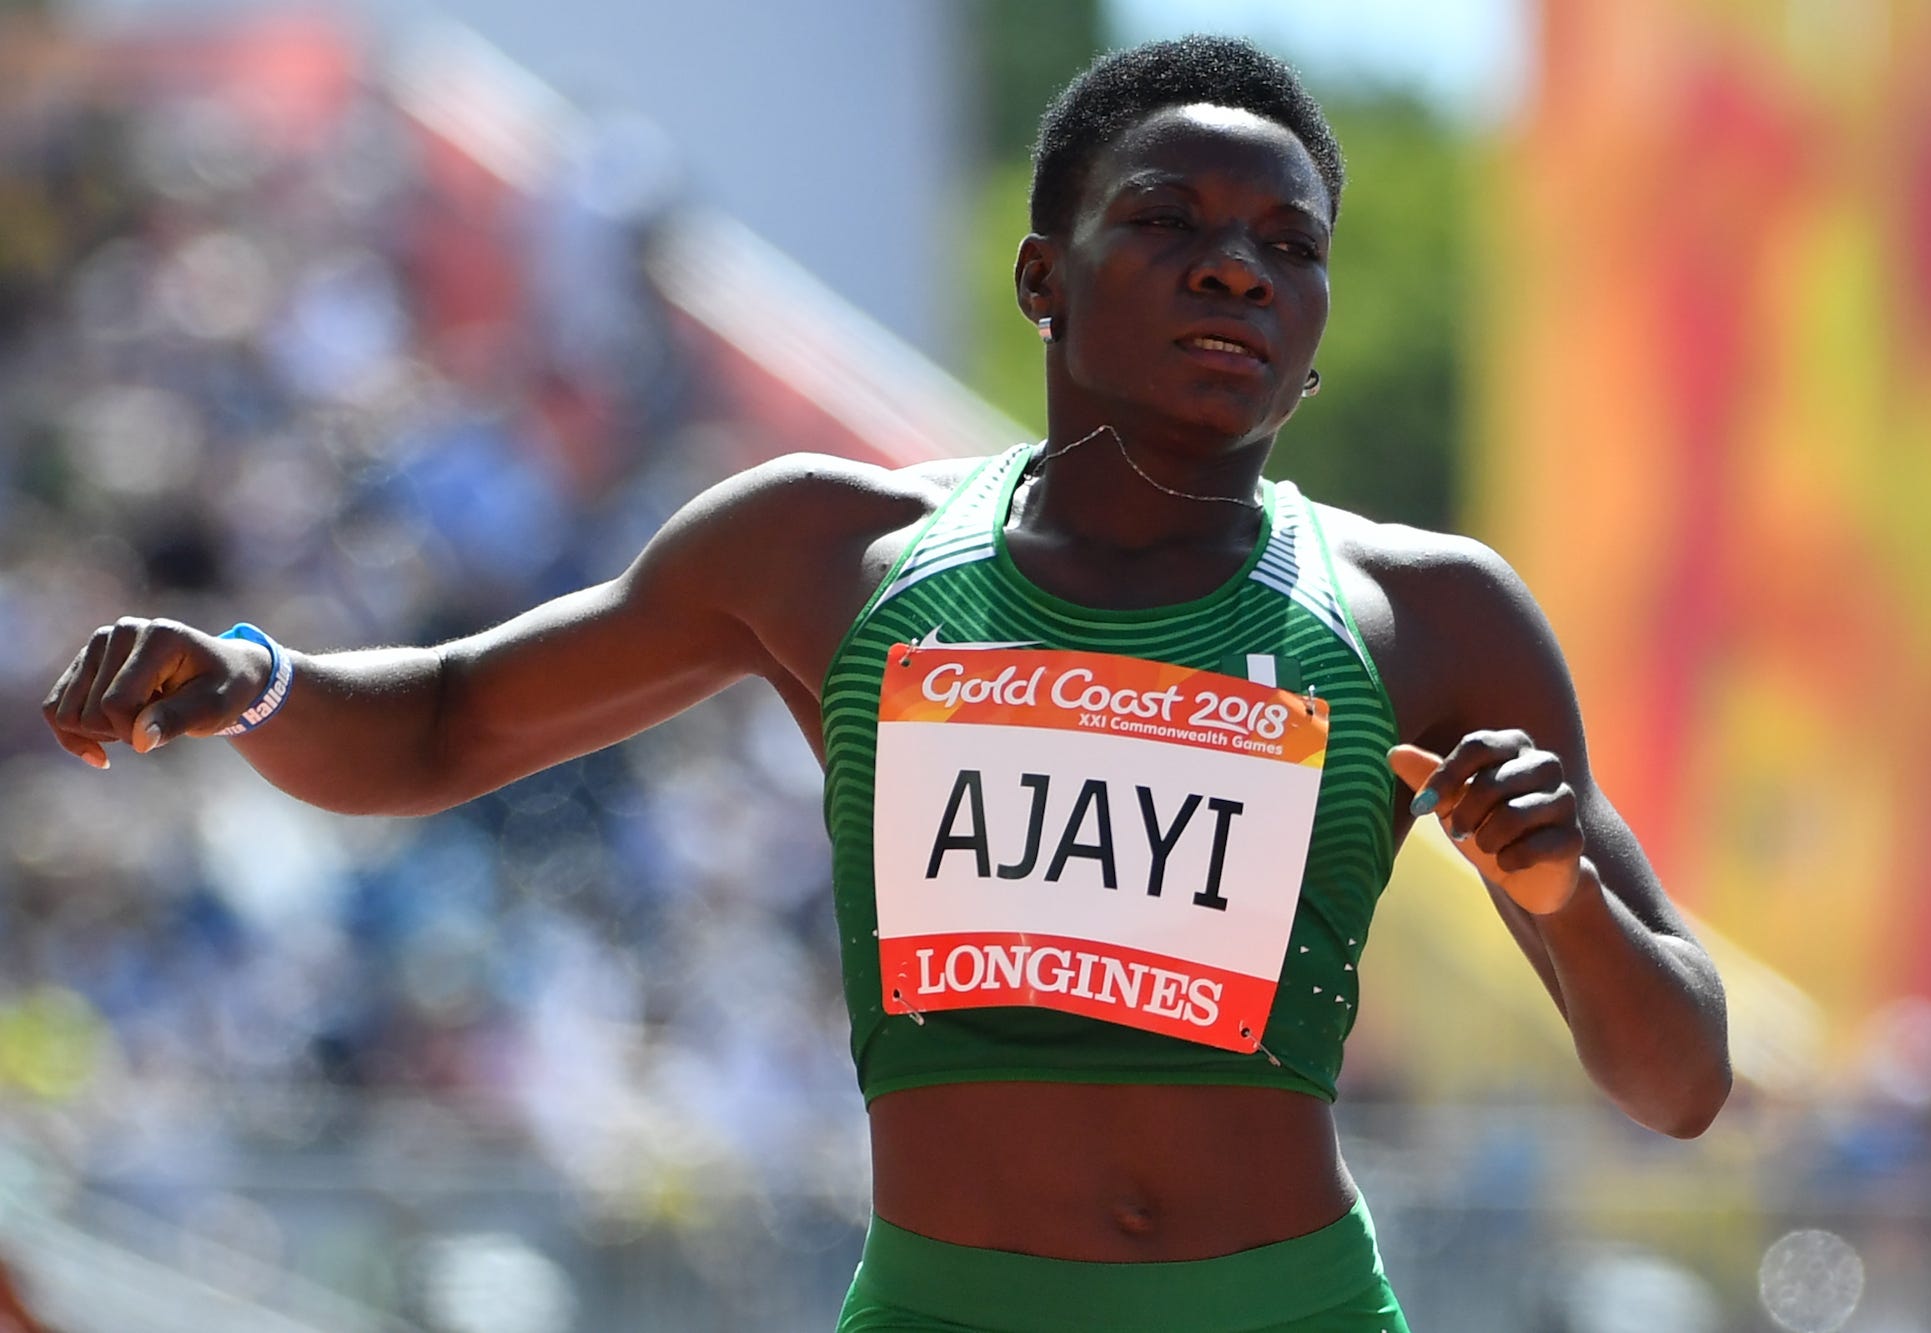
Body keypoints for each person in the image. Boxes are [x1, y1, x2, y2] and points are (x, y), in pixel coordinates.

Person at [42, 35, 1730, 1333]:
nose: (1238, 268)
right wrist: (256, 677)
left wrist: (1558, 893)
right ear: (1041, 278)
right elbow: (440, 720)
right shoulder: (828, 552)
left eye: (1288, 245)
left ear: (1319, 317)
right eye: (1170, 222)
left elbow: (1680, 1077)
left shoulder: (1425, 616)